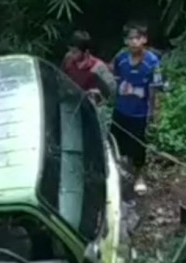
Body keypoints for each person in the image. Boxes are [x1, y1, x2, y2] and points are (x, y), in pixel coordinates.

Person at [109, 23, 165, 196]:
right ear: (126, 41)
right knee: (115, 142)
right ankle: (117, 172)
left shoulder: (152, 62)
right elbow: (115, 80)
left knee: (138, 147)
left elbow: (156, 88)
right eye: (130, 39)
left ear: (144, 39)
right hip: (121, 109)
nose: (134, 42)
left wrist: (154, 112)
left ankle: (139, 177)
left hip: (139, 113)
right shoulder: (121, 59)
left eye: (137, 38)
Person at [61, 31, 104, 97]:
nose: (71, 54)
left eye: (74, 52)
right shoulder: (68, 60)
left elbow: (111, 91)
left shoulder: (98, 67)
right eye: (70, 51)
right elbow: (61, 78)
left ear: (86, 52)